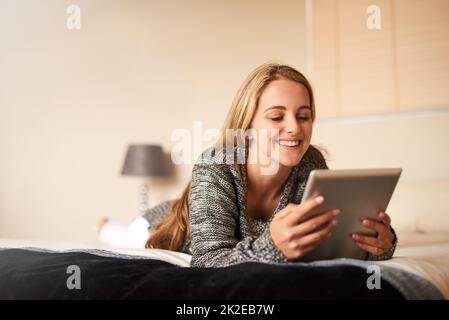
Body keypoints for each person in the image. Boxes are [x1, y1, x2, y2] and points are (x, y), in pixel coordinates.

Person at [99, 62, 397, 267]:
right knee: (124, 235)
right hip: (164, 227)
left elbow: (322, 243)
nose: (294, 128)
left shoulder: (310, 163)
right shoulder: (215, 165)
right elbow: (208, 261)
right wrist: (272, 246)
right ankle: (107, 226)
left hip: (192, 210)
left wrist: (379, 245)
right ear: (248, 125)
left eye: (303, 115)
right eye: (277, 117)